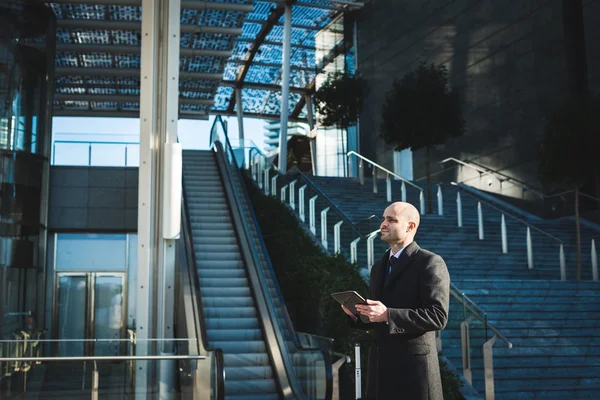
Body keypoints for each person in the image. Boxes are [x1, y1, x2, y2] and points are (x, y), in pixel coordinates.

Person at [342, 201, 450, 400]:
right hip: (380, 371)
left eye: (391, 220)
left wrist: (388, 314)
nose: (383, 224)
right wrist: (358, 315)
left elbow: (438, 316)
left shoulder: (430, 262)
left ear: (410, 226)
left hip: (413, 373)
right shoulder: (378, 267)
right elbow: (378, 317)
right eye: (383, 219)